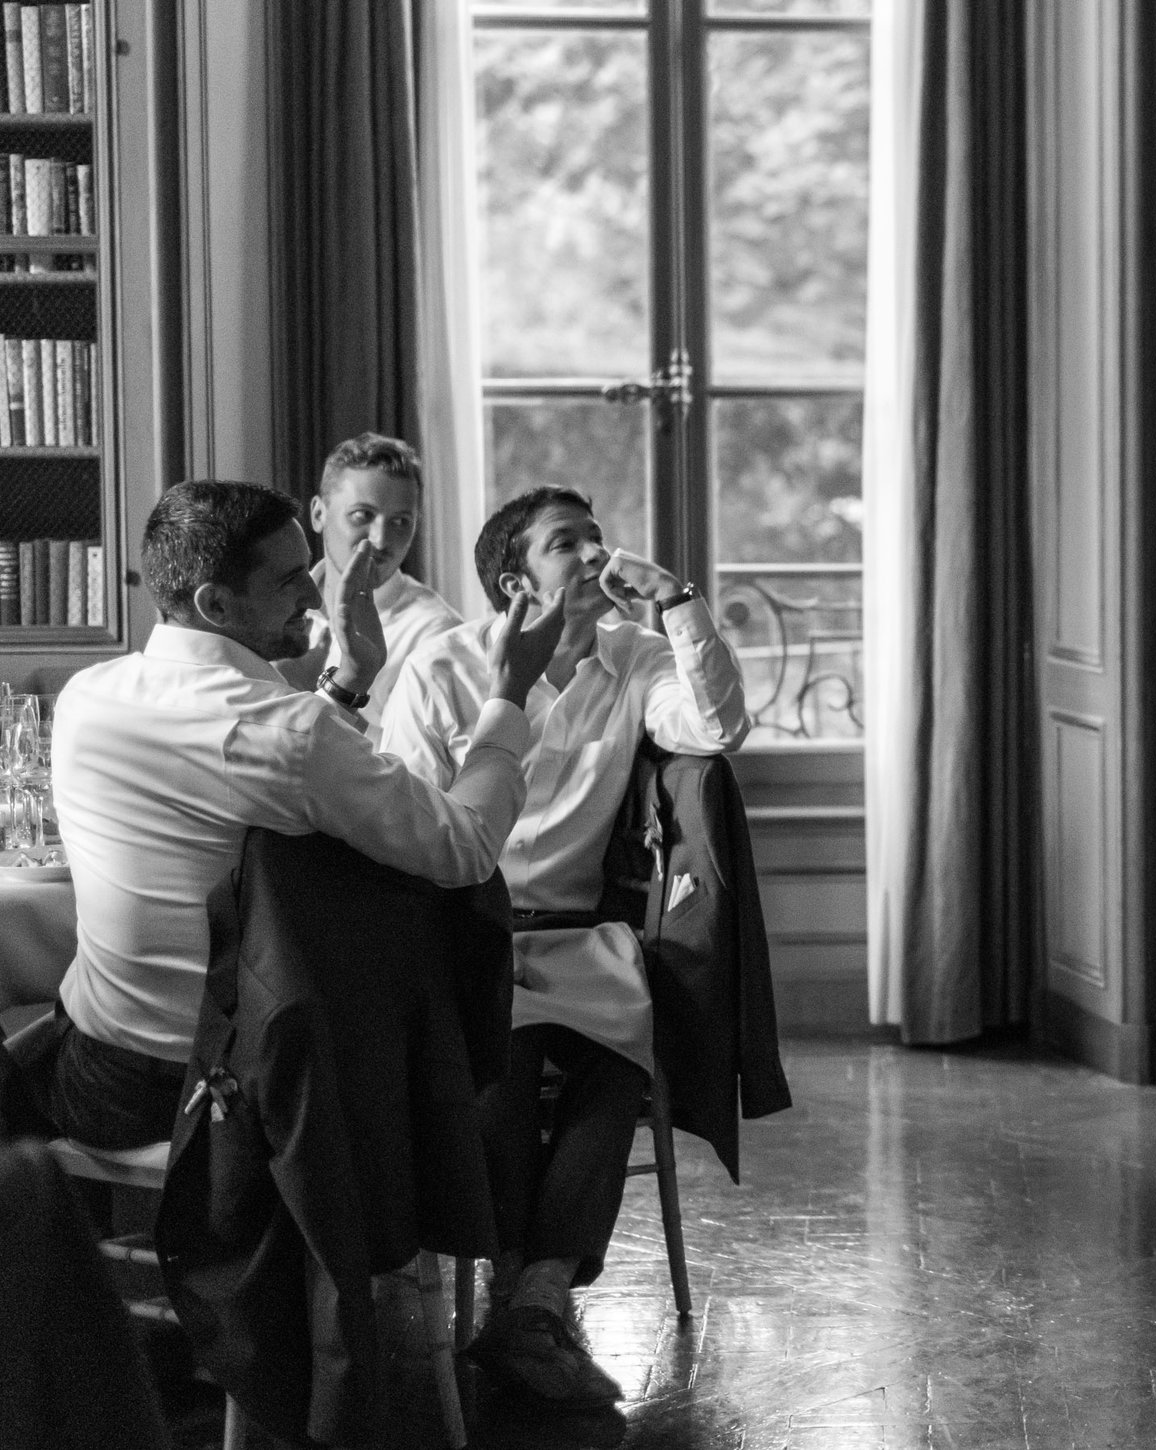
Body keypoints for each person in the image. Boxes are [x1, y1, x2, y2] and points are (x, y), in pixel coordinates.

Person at [45, 479, 563, 1153]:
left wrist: (349, 681)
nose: (317, 595)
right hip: (234, 1104)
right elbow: (464, 847)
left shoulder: (87, 694)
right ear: (216, 603)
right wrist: (510, 694)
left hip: (96, 1079)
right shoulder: (289, 732)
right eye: (292, 579)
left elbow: (263, 764)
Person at [382, 485, 749, 1409]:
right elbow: (406, 824)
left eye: (596, 536)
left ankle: (536, 1296)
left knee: (617, 1064)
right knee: (500, 1073)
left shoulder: (634, 659)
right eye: (565, 545)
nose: (594, 555)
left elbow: (716, 728)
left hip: (584, 938)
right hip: (469, 933)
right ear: (515, 581)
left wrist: (678, 604)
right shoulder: (444, 669)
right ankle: (524, 1296)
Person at [273, 433, 463, 720]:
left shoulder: (437, 635)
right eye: (362, 515)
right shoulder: (268, 607)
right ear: (318, 514)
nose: (381, 539)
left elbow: (423, 761)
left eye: (401, 522)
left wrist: (308, 700)